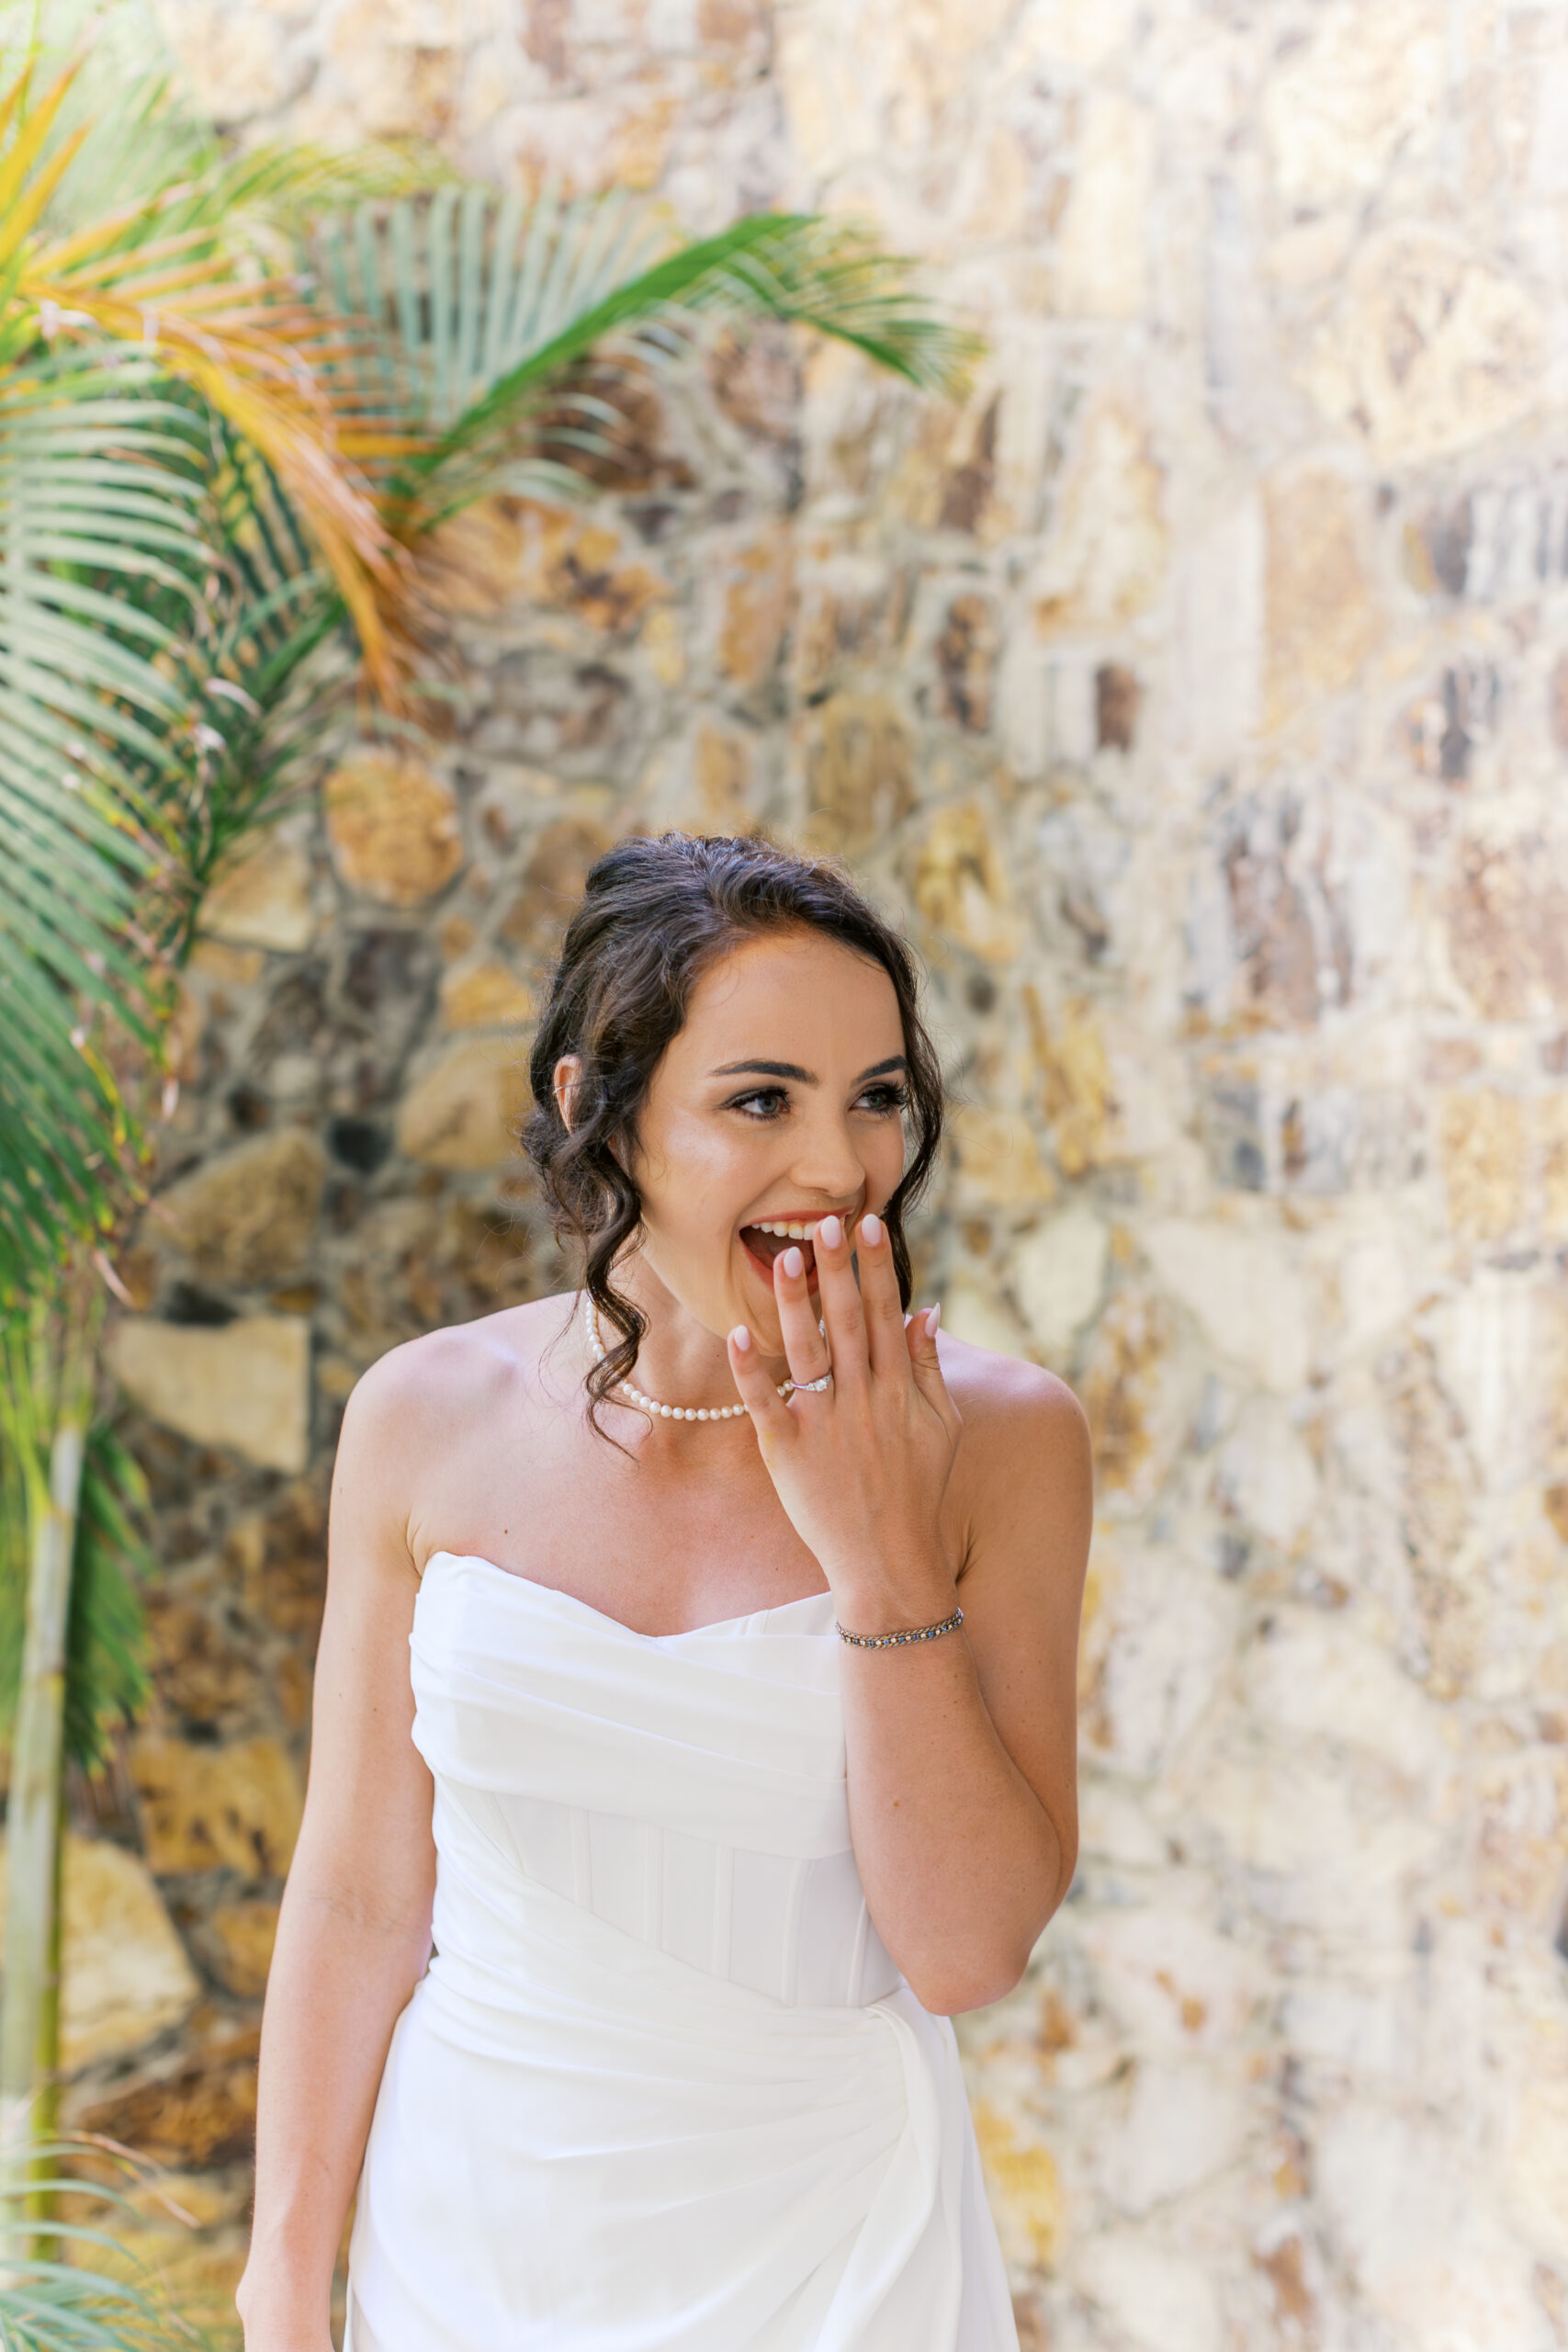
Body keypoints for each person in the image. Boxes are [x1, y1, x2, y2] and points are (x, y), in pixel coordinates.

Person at [237, 831, 1092, 2352]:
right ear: (600, 1113)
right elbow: (362, 1892)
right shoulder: (424, 1416)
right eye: (760, 1098)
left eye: (876, 1097)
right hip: (474, 2237)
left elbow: (965, 1952)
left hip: (833, 2246)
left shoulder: (1006, 1444)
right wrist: (285, 2281)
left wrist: (876, 1546)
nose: (838, 1168)